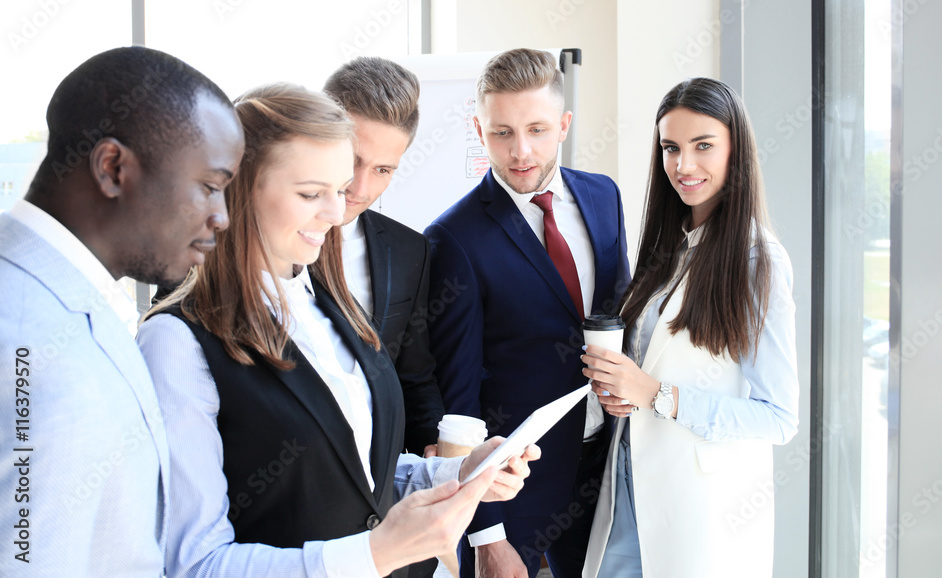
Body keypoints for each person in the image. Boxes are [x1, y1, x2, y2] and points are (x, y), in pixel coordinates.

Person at [137, 83, 538, 578]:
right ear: (239, 189)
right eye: (311, 193)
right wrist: (374, 555)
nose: (336, 213)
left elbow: (360, 468)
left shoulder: (331, 302)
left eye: (339, 188)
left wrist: (458, 471)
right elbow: (194, 564)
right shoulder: (177, 342)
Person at [0, 47, 243, 576]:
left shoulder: (72, 292)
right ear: (113, 168)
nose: (222, 218)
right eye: (210, 186)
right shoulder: (22, 334)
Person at [580, 77, 799, 578]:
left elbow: (780, 417)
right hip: (631, 488)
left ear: (735, 151)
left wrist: (657, 394)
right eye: (671, 148)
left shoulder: (755, 260)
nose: (684, 165)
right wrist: (622, 392)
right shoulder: (671, 248)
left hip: (699, 507)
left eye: (703, 146)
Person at [424, 48, 630, 578]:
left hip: (609, 470)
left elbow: (620, 312)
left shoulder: (604, 197)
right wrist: (487, 535)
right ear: (479, 129)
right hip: (514, 493)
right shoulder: (453, 238)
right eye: (502, 132)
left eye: (537, 129)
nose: (520, 151)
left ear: (563, 125)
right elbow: (459, 399)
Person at [323, 56, 446, 458]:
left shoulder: (411, 251)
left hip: (377, 485)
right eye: (354, 160)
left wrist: (436, 446)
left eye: (382, 170)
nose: (359, 186)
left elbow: (413, 376)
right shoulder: (244, 238)